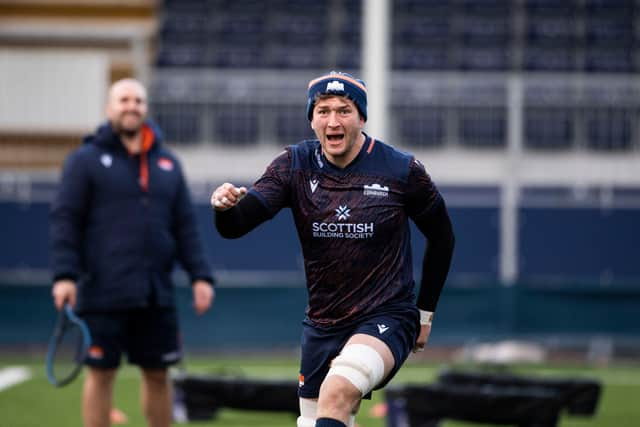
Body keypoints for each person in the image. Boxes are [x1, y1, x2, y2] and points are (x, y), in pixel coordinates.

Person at [211, 71, 455, 427]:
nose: (333, 120)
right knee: (319, 419)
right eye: (323, 111)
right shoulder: (293, 165)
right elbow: (236, 227)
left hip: (387, 315)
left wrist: (424, 314)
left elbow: (443, 236)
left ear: (362, 118)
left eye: (344, 110)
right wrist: (224, 209)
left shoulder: (401, 169)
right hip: (323, 323)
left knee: (336, 391)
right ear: (312, 119)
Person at [50, 78, 215, 427]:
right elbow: (66, 220)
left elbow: (185, 225)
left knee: (158, 375)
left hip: (155, 292)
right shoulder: (85, 160)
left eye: (138, 101)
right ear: (110, 108)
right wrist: (64, 275)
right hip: (102, 291)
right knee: (101, 374)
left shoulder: (168, 163)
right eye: (123, 100)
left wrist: (200, 275)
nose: (131, 106)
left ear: (145, 108)